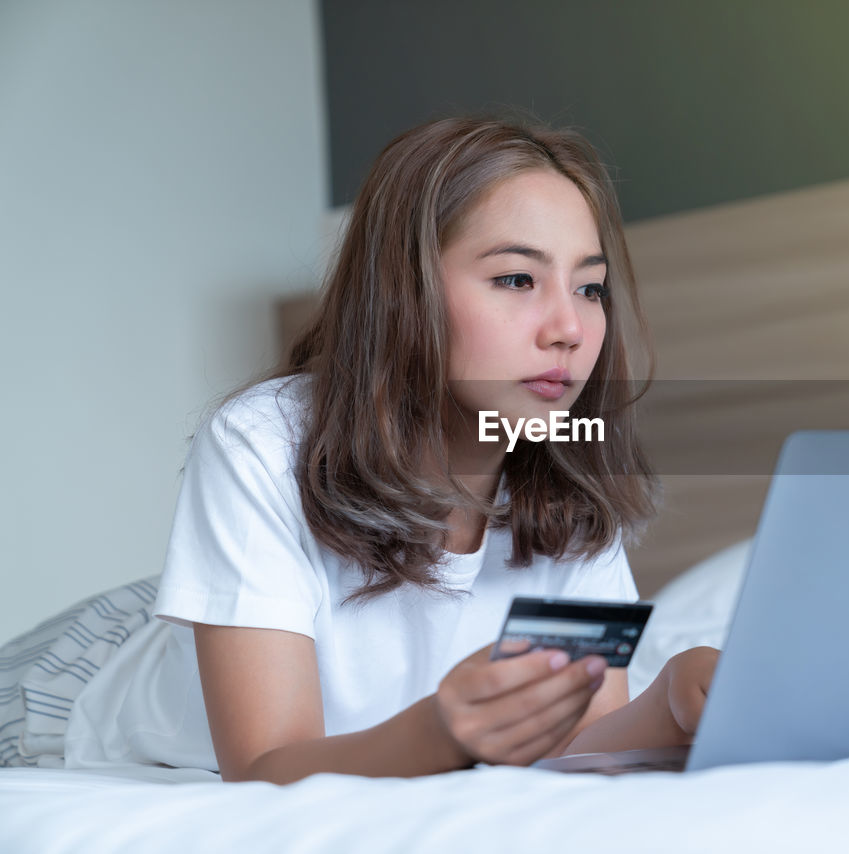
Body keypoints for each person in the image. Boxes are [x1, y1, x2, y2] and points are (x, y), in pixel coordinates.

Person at [0, 114, 719, 781]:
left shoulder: (571, 475)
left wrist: (669, 707)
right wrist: (442, 734)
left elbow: (572, 747)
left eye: (590, 289)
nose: (569, 327)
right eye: (515, 279)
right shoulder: (264, 441)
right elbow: (263, 764)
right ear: (406, 292)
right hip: (72, 685)